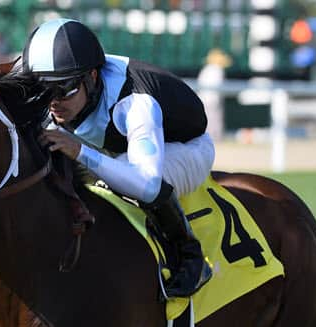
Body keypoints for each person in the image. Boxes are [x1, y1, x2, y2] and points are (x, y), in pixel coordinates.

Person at [22, 18, 214, 297]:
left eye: (63, 88)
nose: (53, 101)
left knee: (122, 177)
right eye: (43, 89)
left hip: (184, 148)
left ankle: (191, 257)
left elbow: (147, 183)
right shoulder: (57, 74)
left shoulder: (136, 104)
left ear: (93, 77)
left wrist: (78, 151)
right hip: (115, 145)